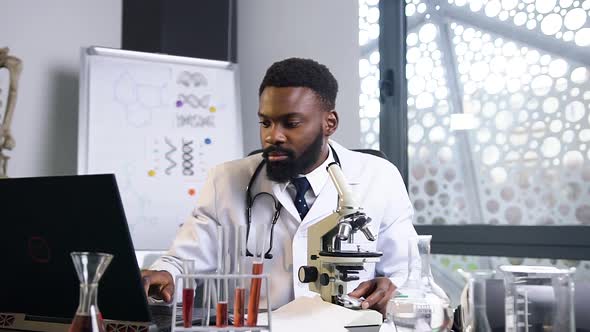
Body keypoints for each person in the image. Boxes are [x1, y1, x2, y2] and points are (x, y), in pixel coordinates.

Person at [142, 58, 417, 316]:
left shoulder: (379, 178)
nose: (273, 136)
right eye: (266, 122)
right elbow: (181, 263)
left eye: (291, 123)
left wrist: (393, 292)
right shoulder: (225, 181)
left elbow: (408, 278)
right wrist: (164, 276)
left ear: (329, 123)